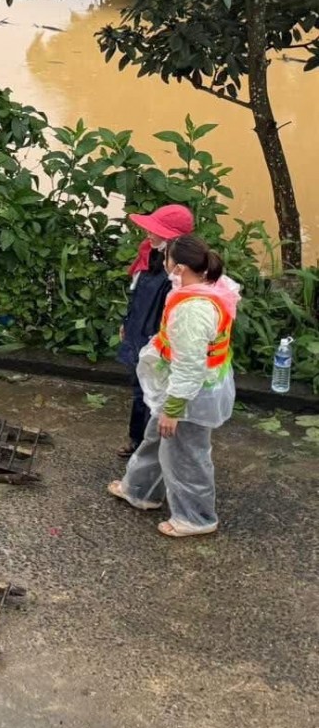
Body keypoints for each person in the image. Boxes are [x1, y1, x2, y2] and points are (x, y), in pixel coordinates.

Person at [109, 234, 240, 539]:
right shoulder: (211, 286)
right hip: (187, 386)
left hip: (192, 394)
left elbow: (190, 364)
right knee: (158, 435)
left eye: (167, 259)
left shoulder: (192, 309)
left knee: (187, 453)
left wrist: (174, 408)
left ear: (179, 267)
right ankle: (139, 489)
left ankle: (197, 517)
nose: (163, 263)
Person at [116, 204, 194, 457]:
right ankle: (137, 439)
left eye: (155, 230)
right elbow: (136, 295)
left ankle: (151, 449)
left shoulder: (180, 270)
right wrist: (126, 324)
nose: (148, 234)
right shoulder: (148, 256)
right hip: (139, 332)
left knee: (155, 393)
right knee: (139, 389)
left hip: (159, 340)